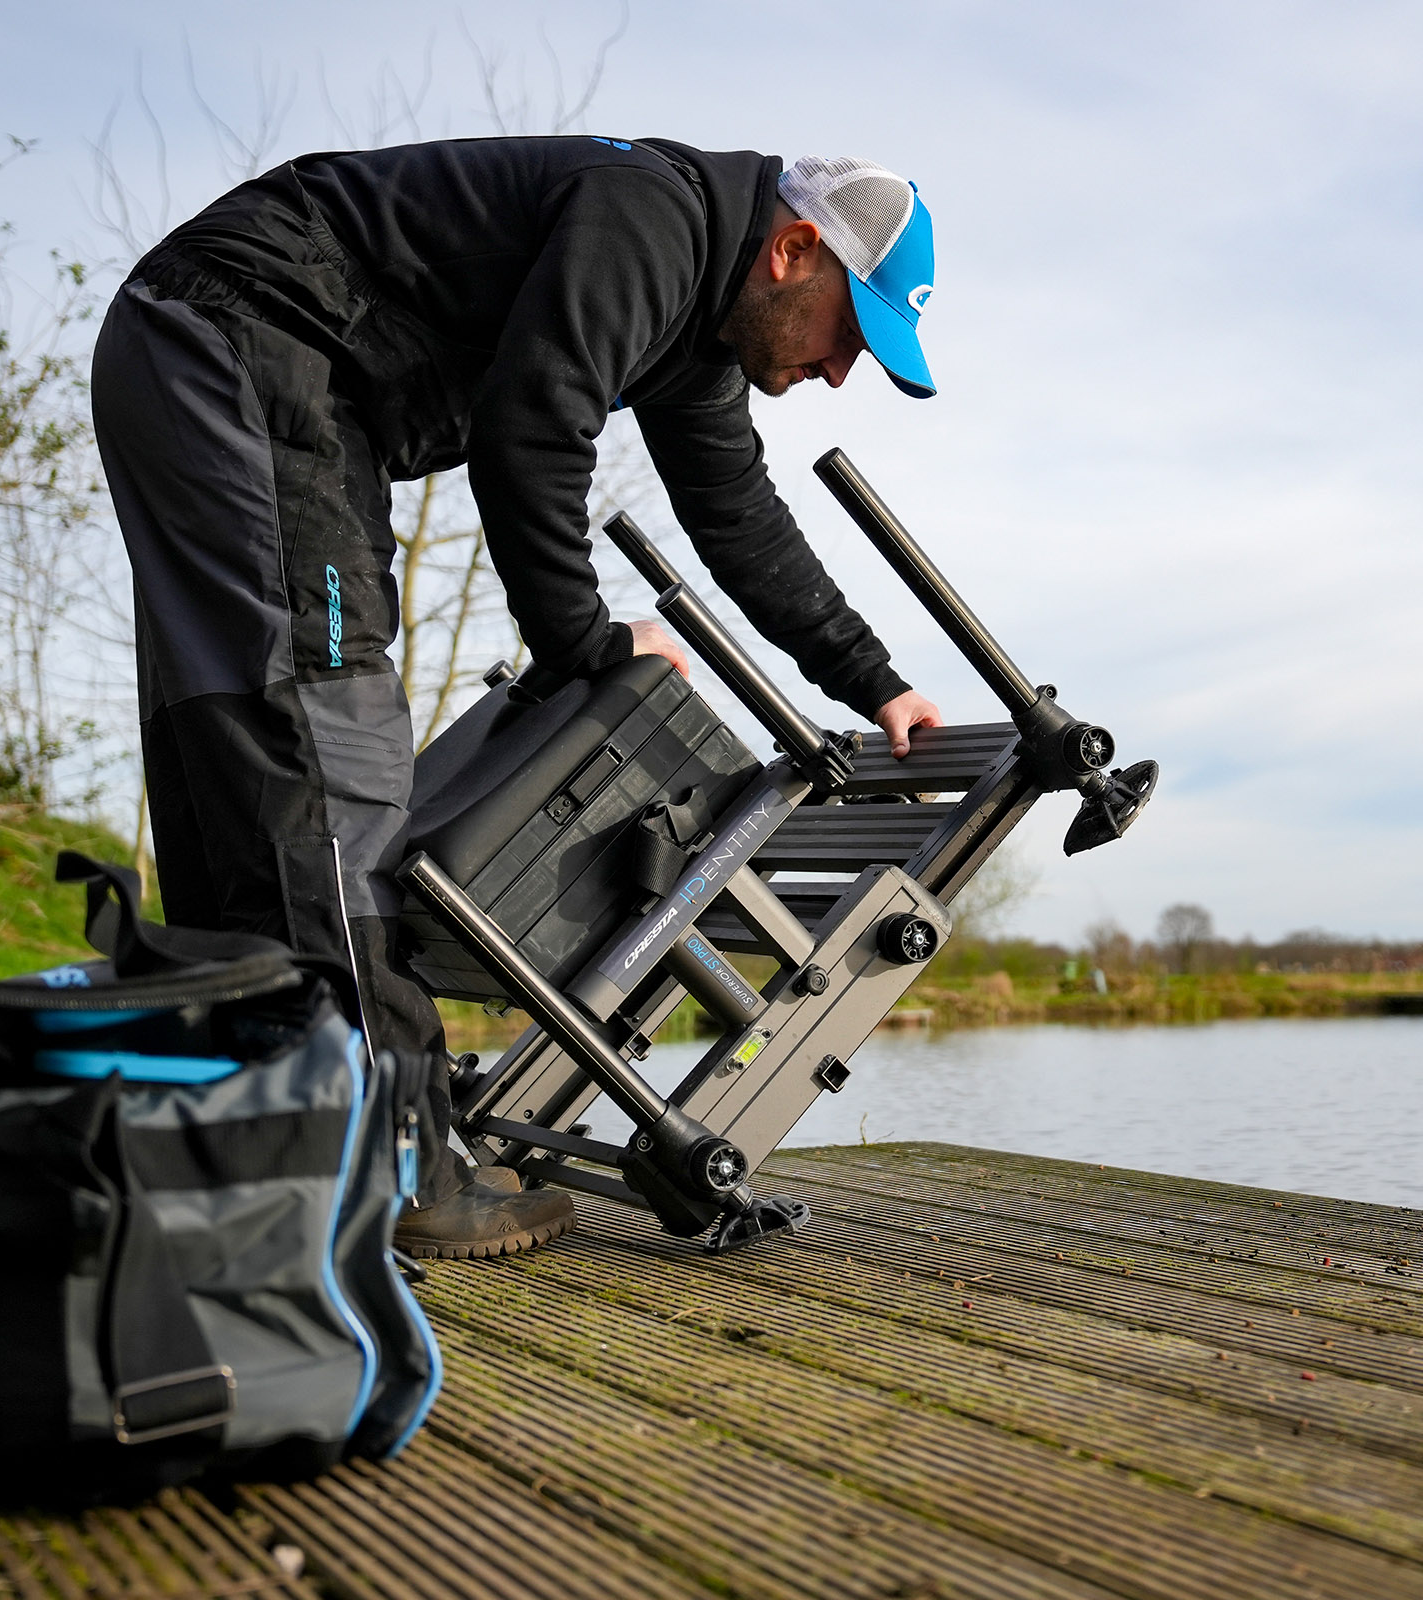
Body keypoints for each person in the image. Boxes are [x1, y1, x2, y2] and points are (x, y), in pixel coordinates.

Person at [91, 139, 944, 1259]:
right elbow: (532, 426)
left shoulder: (695, 332)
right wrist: (586, 643)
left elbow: (737, 517)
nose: (841, 373)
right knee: (326, 749)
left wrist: (874, 680)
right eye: (850, 336)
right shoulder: (651, 221)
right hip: (255, 345)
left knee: (235, 739)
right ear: (793, 251)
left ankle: (254, 1143)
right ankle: (395, 1168)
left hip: (204, 349)